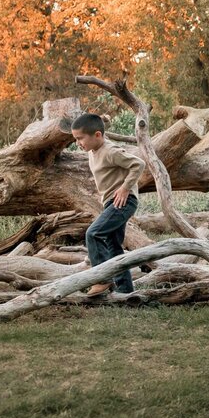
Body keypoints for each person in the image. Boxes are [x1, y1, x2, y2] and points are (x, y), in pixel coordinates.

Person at [73, 113, 147, 296]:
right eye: (75, 139)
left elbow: (138, 164)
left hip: (124, 201)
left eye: (80, 138)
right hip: (111, 204)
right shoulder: (93, 151)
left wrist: (124, 188)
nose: (78, 143)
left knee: (94, 233)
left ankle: (102, 279)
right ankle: (125, 291)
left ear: (97, 135)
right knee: (113, 245)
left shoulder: (110, 150)